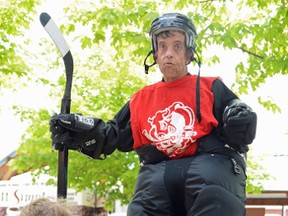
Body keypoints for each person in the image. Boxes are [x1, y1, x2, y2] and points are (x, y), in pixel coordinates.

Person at [50, 13, 257, 216]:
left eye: (177, 46)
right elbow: (111, 135)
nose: (169, 53)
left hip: (209, 165)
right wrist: (78, 129)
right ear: (155, 54)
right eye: (163, 47)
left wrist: (239, 116)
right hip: (157, 172)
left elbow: (239, 123)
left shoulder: (211, 87)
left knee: (215, 197)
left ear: (188, 54)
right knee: (142, 209)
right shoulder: (140, 99)